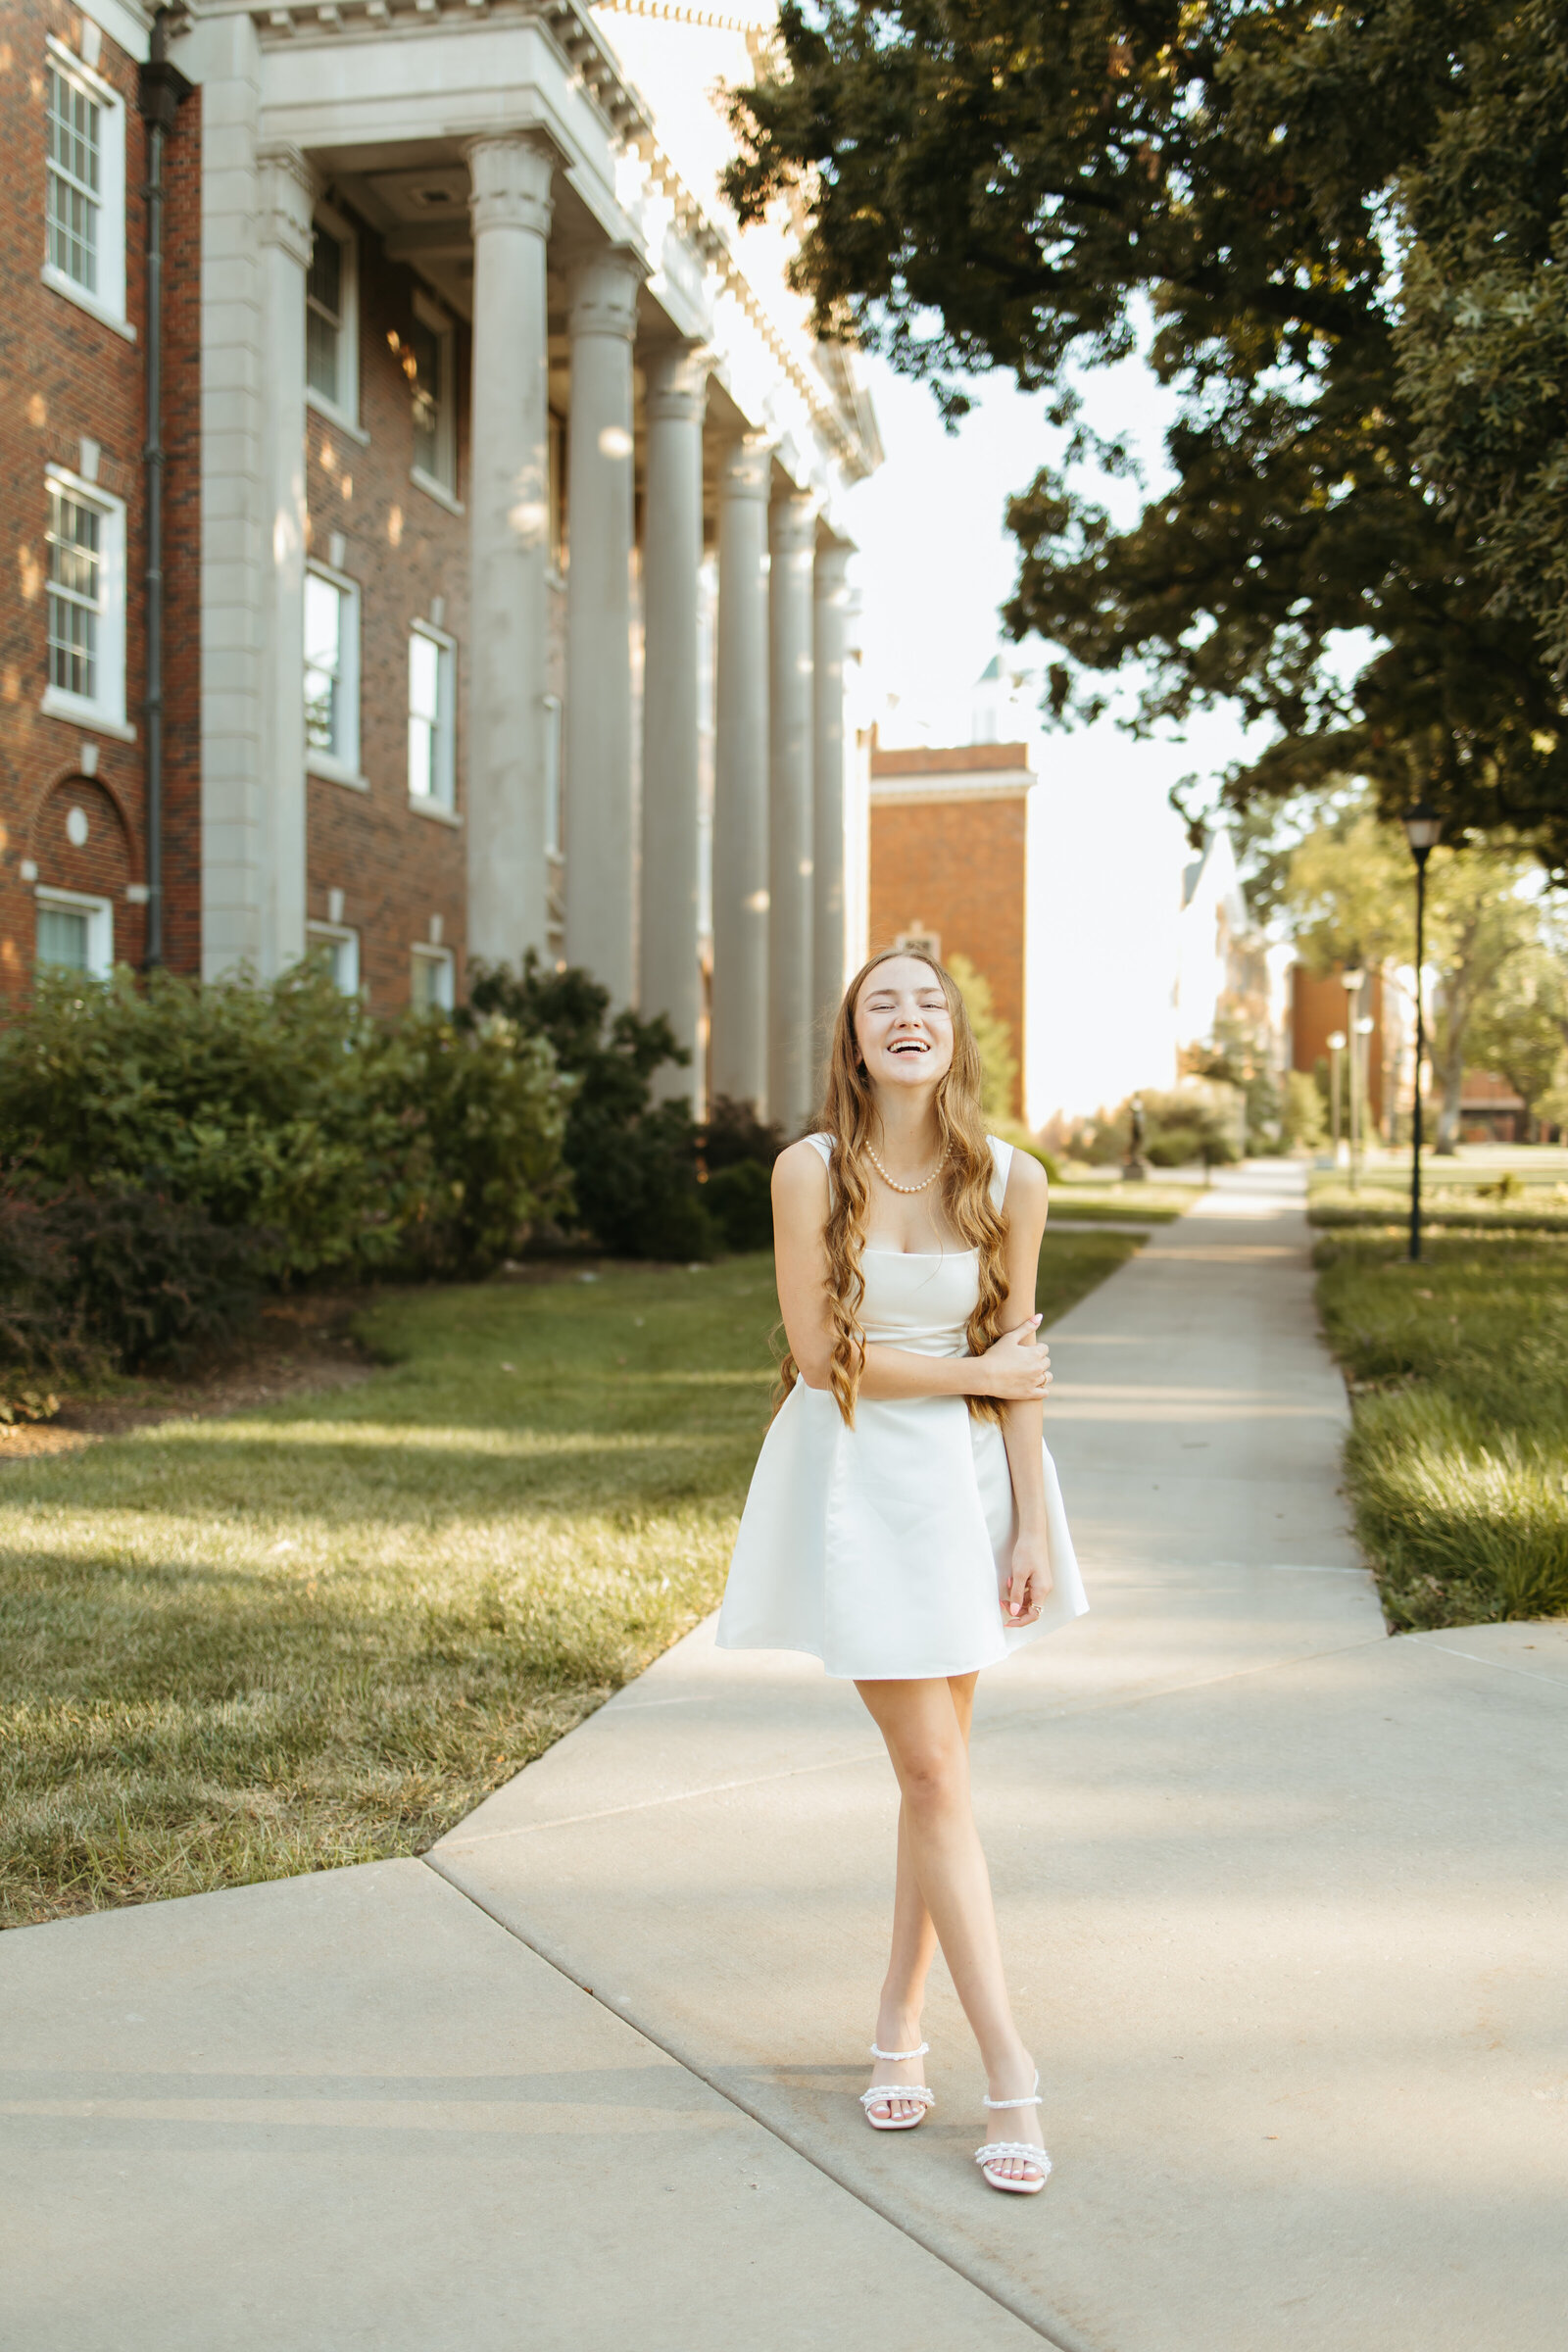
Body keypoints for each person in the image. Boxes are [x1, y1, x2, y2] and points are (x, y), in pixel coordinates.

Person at [716, 947, 1088, 2196]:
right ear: (855, 1040)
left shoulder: (1012, 1181)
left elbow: (1021, 1369)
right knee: (933, 1772)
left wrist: (1030, 1525)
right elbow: (821, 1356)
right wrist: (978, 1377)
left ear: (956, 1036)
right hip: (860, 1479)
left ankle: (894, 2022)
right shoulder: (809, 1170)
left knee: (940, 1785)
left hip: (969, 1490)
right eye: (886, 1003)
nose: (910, 1017)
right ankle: (1011, 2072)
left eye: (930, 1001)